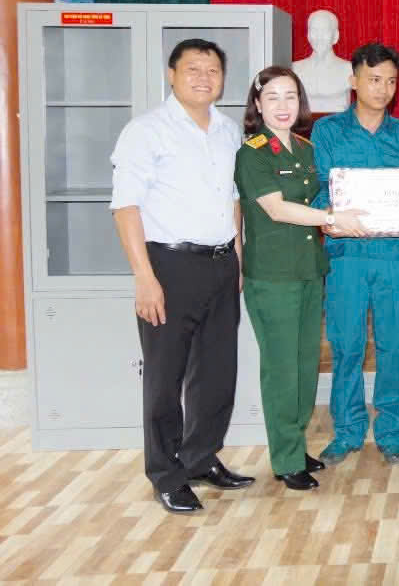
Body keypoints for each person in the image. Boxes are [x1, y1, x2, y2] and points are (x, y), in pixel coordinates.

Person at [109, 39, 255, 514]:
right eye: (193, 69)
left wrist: (237, 256)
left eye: (213, 70)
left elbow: (233, 198)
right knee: (164, 377)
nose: (203, 78)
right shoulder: (145, 131)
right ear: (171, 75)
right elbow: (125, 207)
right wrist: (144, 277)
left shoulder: (229, 131)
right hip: (168, 266)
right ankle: (166, 474)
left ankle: (200, 458)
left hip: (221, 264)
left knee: (216, 373)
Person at [234, 66, 366, 490]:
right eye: (272, 97)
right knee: (282, 369)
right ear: (258, 105)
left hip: (309, 269)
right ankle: (286, 458)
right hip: (273, 276)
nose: (283, 105)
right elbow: (276, 208)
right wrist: (332, 218)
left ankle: (296, 444)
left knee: (306, 365)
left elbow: (321, 201)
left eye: (290, 96)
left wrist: (343, 216)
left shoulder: (305, 149)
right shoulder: (253, 153)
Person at [311, 42, 399, 466]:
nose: (383, 89)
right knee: (346, 345)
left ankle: (391, 430)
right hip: (346, 256)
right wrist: (329, 215)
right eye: (374, 79)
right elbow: (319, 189)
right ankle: (347, 430)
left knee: (395, 345)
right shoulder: (327, 132)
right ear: (354, 80)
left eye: (391, 81)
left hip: (394, 256)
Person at [292, 9, 352, 113]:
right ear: (308, 35)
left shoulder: (349, 69)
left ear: (336, 36)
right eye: (314, 30)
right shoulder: (295, 69)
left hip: (338, 123)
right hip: (305, 122)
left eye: (325, 31)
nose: (319, 37)